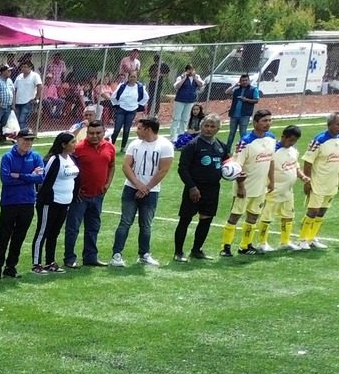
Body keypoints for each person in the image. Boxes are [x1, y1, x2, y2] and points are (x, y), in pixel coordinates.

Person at [110, 117, 174, 266]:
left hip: (151, 192)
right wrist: (139, 185)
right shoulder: (135, 144)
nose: (136, 131)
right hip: (131, 189)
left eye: (139, 128)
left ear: (148, 129)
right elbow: (126, 166)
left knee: (146, 224)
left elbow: (163, 170)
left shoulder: (165, 145)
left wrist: (147, 188)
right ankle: (117, 255)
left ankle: (144, 254)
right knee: (125, 222)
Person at [221, 109, 278, 256]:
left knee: (253, 217)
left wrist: (271, 181)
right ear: (255, 123)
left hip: (261, 188)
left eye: (269, 120)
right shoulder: (245, 142)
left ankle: (245, 246)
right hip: (245, 188)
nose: (268, 124)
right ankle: (225, 247)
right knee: (235, 216)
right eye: (264, 121)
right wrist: (240, 186)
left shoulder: (271, 138)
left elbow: (271, 161)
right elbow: (236, 167)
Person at [0, 129, 45, 278]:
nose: (28, 143)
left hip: (27, 202)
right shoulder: (8, 157)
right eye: (25, 139)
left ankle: (11, 266)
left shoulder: (35, 157)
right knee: (4, 235)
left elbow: (40, 178)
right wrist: (29, 176)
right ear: (18, 140)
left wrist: (19, 176)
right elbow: (6, 179)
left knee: (19, 236)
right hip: (10, 202)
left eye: (30, 140)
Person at [172, 115, 227, 260]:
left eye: (212, 126)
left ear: (218, 129)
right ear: (201, 127)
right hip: (194, 189)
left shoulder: (221, 146)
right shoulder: (192, 145)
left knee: (206, 219)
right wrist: (191, 187)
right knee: (185, 220)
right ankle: (178, 252)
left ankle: (196, 250)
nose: (208, 129)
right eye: (206, 126)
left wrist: (236, 171)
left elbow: (228, 161)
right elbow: (182, 169)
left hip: (213, 189)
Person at [67, 109, 115, 268]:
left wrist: (107, 184)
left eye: (97, 133)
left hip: (98, 196)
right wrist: (75, 189)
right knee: (73, 228)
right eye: (91, 133)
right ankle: (69, 258)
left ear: (103, 132)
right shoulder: (78, 149)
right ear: (86, 132)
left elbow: (112, 165)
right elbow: (69, 170)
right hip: (81, 197)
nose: (94, 136)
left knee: (93, 228)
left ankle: (90, 257)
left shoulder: (110, 147)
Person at [296, 112, 339, 249]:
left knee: (322, 211)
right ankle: (302, 239)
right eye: (338, 124)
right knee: (312, 211)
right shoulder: (319, 140)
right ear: (330, 124)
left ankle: (312, 238)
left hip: (332, 182)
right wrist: (307, 182)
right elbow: (308, 161)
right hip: (318, 182)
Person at [30, 132, 78, 274]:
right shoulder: (54, 159)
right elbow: (45, 181)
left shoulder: (70, 159)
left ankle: (50, 262)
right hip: (50, 203)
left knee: (54, 233)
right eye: (72, 142)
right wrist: (44, 200)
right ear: (63, 144)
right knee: (42, 232)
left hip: (65, 202)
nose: (75, 144)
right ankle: (36, 264)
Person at [269, 125, 306, 250]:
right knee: (267, 217)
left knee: (288, 216)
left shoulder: (293, 150)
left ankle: (285, 242)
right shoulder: (273, 150)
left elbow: (296, 166)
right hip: (273, 191)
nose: (292, 143)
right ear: (283, 137)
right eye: (290, 140)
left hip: (288, 191)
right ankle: (262, 243)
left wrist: (302, 177)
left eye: (294, 141)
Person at [109, 73, 149, 147]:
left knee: (126, 129)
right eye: (131, 76)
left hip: (132, 110)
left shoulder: (140, 87)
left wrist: (138, 105)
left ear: (137, 78)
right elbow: (113, 96)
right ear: (128, 77)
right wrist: (117, 105)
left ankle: (123, 147)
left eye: (134, 77)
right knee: (117, 128)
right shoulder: (122, 86)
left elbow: (146, 97)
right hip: (121, 109)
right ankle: (111, 145)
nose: (132, 78)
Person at [226, 73, 261, 151]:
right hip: (234, 115)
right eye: (242, 80)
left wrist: (246, 100)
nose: (244, 82)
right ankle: (227, 150)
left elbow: (256, 100)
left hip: (245, 115)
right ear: (240, 81)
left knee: (243, 133)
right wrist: (235, 85)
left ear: (249, 81)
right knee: (231, 133)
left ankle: (243, 150)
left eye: (246, 80)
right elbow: (227, 92)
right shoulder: (237, 89)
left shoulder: (253, 89)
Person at [170, 65, 201, 139]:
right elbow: (176, 86)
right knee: (176, 118)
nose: (190, 71)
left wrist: (194, 78)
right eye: (189, 70)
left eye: (192, 70)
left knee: (185, 119)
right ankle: (173, 137)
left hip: (190, 101)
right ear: (186, 70)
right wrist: (184, 78)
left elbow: (201, 84)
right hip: (180, 100)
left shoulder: (197, 77)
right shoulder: (181, 77)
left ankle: (181, 135)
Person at [11, 61, 40, 137]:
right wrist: (13, 102)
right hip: (18, 101)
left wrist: (36, 98)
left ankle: (23, 136)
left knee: (22, 120)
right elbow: (15, 89)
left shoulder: (35, 76)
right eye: (22, 67)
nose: (23, 68)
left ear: (30, 68)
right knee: (17, 120)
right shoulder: (19, 76)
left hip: (28, 101)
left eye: (25, 67)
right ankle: (19, 135)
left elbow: (39, 86)